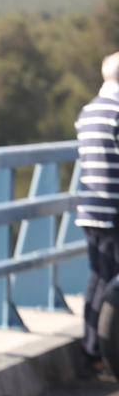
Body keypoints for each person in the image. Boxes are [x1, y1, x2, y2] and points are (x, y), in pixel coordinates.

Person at [76, 51, 119, 371]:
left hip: (91, 207)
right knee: (110, 279)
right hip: (114, 207)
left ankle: (91, 348)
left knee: (99, 275)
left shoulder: (89, 111)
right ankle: (102, 350)